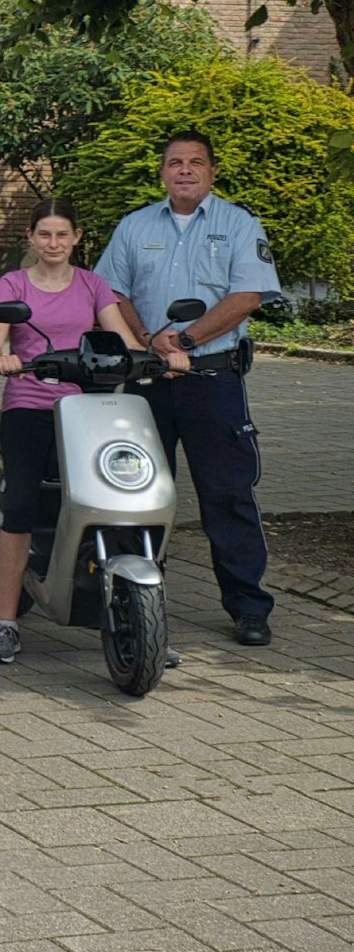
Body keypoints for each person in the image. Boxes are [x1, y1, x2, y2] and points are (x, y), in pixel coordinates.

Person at [94, 130, 282, 646]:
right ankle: (135, 601)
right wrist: (146, 341)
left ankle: (248, 606)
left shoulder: (239, 224)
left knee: (227, 494)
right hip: (148, 380)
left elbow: (247, 297)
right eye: (175, 163)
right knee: (137, 493)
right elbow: (111, 290)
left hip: (212, 378)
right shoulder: (135, 226)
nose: (184, 171)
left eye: (195, 163)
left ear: (212, 172)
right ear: (162, 172)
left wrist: (188, 339)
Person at [0, 199, 143, 663]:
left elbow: (121, 338)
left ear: (76, 238)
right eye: (44, 235)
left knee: (118, 494)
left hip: (87, 406)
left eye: (62, 235)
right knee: (23, 503)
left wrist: (150, 358)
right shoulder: (14, 283)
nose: (53, 243)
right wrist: (1, 358)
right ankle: (6, 623)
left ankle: (141, 615)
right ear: (30, 237)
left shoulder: (93, 284)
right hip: (29, 405)